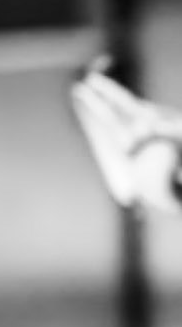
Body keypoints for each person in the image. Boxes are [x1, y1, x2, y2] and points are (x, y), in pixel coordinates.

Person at [69, 56, 182, 215]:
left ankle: (92, 86)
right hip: (152, 144)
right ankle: (94, 84)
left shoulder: (134, 187)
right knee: (134, 115)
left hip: (142, 161)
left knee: (123, 120)